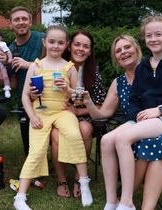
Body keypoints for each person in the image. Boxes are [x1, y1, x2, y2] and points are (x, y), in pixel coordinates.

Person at [82, 17, 162, 210]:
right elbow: (134, 99)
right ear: (144, 39)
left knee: (122, 138)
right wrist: (138, 115)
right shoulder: (144, 66)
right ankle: (111, 202)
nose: (153, 39)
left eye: (158, 34)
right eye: (149, 35)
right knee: (106, 140)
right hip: (145, 120)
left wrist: (159, 110)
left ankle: (126, 202)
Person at [13, 25, 93, 210]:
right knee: (36, 150)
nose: (55, 46)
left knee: (74, 135)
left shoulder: (69, 68)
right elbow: (25, 96)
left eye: (60, 42)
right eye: (52, 41)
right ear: (44, 42)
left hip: (63, 112)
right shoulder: (36, 65)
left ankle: (83, 182)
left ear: (66, 45)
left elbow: (77, 97)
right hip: (40, 113)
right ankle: (20, 197)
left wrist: (68, 89)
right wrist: (32, 116)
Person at [49, 30, 106, 198]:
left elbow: (100, 104)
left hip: (84, 115)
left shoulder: (93, 72)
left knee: (86, 129)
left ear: (90, 50)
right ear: (69, 46)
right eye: (77, 44)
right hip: (60, 114)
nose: (81, 49)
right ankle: (61, 179)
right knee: (56, 134)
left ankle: (78, 178)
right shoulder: (58, 66)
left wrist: (78, 110)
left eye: (86, 46)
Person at [9, 6, 44, 156]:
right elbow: (14, 85)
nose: (21, 22)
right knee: (29, 147)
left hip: (49, 95)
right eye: (17, 19)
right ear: (11, 24)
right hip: (25, 100)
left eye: (24, 19)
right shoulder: (10, 50)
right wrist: (0, 78)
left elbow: (58, 66)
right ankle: (33, 163)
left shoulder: (43, 39)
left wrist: (28, 64)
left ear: (30, 22)